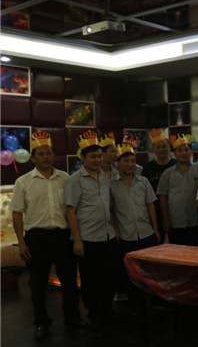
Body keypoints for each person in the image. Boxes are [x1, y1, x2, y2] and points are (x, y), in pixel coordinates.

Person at [9, 131, 84, 340]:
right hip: (36, 238)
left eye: (49, 153)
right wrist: (21, 243)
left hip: (63, 236)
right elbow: (16, 214)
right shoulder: (23, 182)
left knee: (69, 281)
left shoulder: (66, 178)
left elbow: (73, 209)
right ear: (32, 158)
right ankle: (41, 322)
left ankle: (73, 317)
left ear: (54, 155)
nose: (45, 157)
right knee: (38, 283)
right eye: (41, 154)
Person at [65, 130, 118, 329]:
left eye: (99, 156)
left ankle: (107, 308)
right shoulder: (75, 180)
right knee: (90, 279)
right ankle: (94, 312)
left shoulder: (104, 176)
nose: (97, 160)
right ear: (83, 158)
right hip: (87, 238)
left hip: (107, 235)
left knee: (109, 275)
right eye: (93, 156)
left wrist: (114, 229)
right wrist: (77, 240)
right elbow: (70, 211)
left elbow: (108, 206)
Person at [110, 143, 160, 303]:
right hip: (127, 235)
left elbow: (150, 205)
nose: (130, 164)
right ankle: (134, 303)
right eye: (126, 161)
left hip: (146, 232)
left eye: (133, 161)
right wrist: (115, 230)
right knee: (130, 272)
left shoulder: (143, 181)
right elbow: (110, 210)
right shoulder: (111, 184)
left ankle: (152, 301)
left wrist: (155, 229)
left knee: (150, 270)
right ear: (118, 162)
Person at [157, 134, 198, 246]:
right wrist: (165, 219)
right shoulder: (167, 174)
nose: (183, 153)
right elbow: (163, 197)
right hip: (175, 223)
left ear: (191, 152)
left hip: (196, 222)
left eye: (186, 150)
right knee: (177, 253)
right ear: (174, 154)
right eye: (179, 150)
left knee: (195, 253)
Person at [142, 128, 176, 238]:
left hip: (175, 211)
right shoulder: (147, 168)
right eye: (158, 147)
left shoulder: (176, 165)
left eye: (164, 146)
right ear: (153, 149)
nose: (162, 149)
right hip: (155, 213)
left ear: (169, 147)